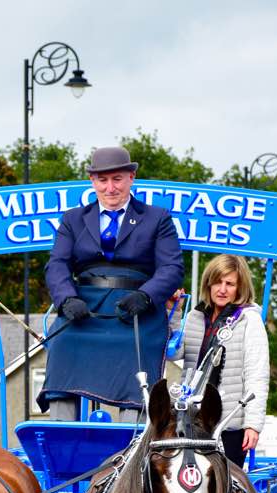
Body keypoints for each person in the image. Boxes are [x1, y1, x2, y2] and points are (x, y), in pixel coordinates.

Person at [39, 146, 185, 421]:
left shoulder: (157, 218)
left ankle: (131, 433)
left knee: (139, 350)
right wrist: (67, 299)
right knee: (62, 341)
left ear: (131, 178)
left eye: (117, 179)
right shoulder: (73, 219)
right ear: (92, 181)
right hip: (85, 308)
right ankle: (61, 429)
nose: (110, 188)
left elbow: (172, 267)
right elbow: (57, 264)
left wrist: (146, 296)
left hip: (136, 310)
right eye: (103, 180)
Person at [179, 254, 269, 468]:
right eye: (217, 282)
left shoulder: (249, 320)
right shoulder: (194, 316)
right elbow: (173, 353)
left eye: (230, 284)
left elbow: (257, 375)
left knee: (222, 484)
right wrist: (172, 311)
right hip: (191, 419)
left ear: (240, 288)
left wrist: (253, 425)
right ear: (208, 283)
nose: (222, 289)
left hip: (230, 424)